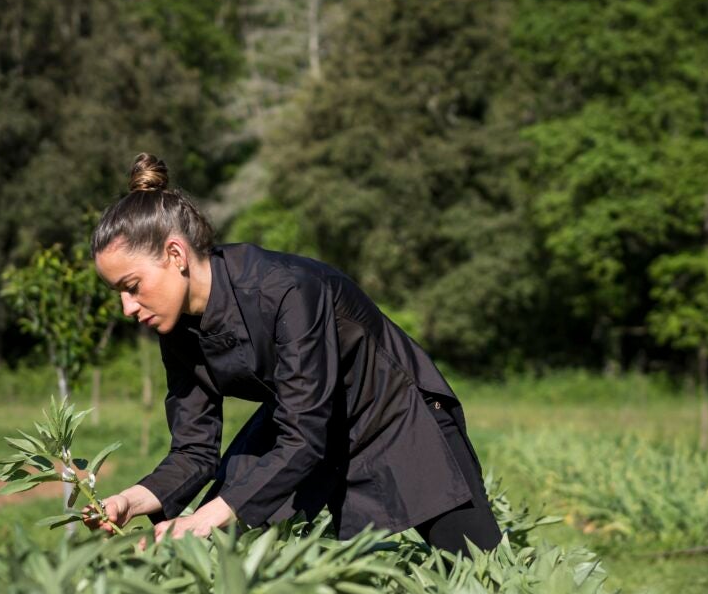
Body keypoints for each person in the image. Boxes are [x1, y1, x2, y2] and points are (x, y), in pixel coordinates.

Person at [86, 153, 502, 555]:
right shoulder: (175, 328)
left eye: (132, 285)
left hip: (395, 415)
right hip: (303, 431)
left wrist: (207, 517)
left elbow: (304, 433)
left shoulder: (284, 288)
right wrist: (128, 500)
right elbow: (193, 450)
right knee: (240, 564)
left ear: (175, 255)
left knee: (478, 574)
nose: (127, 307)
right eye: (118, 292)